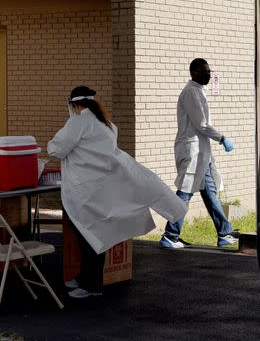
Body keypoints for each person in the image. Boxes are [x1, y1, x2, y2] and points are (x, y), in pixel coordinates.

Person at [48, 86, 187, 299]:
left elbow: (56, 149)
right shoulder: (107, 125)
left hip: (83, 191)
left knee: (89, 237)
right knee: (94, 235)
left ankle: (90, 285)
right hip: (99, 189)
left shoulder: (78, 121)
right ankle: (85, 278)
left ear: (75, 105)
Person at [159, 58, 238, 249]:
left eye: (209, 71)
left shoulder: (198, 91)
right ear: (194, 72)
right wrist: (221, 138)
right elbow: (201, 124)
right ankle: (170, 235)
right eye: (204, 71)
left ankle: (224, 233)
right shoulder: (190, 92)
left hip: (201, 154)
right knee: (184, 193)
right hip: (192, 152)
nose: (208, 74)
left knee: (210, 193)